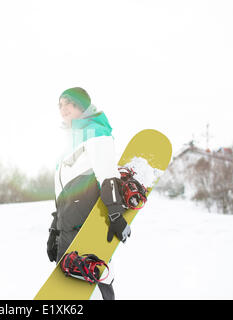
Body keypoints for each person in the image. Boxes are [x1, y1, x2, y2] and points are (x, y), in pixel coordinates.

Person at [46, 87, 130, 300]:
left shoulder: (94, 131)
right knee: (68, 287)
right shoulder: (65, 143)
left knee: (94, 273)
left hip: (87, 220)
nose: (63, 108)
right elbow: (60, 192)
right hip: (67, 223)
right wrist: (54, 230)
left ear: (81, 106)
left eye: (69, 103)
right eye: (60, 105)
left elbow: (107, 173)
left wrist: (115, 213)